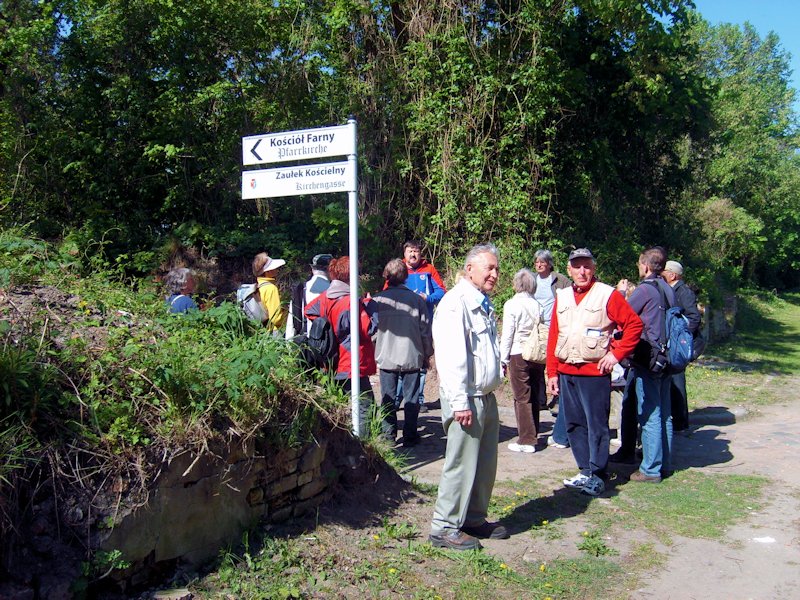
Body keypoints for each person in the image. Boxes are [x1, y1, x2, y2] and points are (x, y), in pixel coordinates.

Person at [428, 243, 508, 551]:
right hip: (467, 398)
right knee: (461, 464)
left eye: (497, 269)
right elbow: (450, 358)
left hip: (485, 396)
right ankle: (444, 527)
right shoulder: (455, 303)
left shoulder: (481, 302)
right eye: (488, 268)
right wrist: (460, 402)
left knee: (485, 465)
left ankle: (473, 518)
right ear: (469, 268)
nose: (494, 274)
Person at [545, 248, 643, 497]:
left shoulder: (607, 294)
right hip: (566, 371)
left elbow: (634, 325)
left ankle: (599, 474)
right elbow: (554, 335)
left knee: (597, 425)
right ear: (569, 270)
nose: (582, 271)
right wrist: (552, 372)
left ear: (593, 269)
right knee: (574, 425)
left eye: (586, 266)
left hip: (595, 372)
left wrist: (616, 354)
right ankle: (584, 470)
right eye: (576, 266)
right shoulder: (563, 296)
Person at [617, 247, 677, 483]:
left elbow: (623, 315)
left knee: (650, 412)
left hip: (648, 358)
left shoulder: (645, 289)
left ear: (645, 266)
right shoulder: (667, 288)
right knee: (664, 414)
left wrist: (622, 293)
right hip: (666, 358)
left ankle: (651, 469)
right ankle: (665, 463)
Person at [304, 256, 377, 438]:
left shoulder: (327, 296)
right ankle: (363, 451)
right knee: (365, 411)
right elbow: (368, 329)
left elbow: (309, 310)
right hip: (351, 364)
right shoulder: (350, 302)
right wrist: (370, 305)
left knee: (341, 408)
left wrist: (327, 328)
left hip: (331, 362)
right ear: (351, 276)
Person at [373, 259, 433, 447]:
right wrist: (427, 353)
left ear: (386, 277)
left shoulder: (377, 300)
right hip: (412, 354)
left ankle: (389, 434)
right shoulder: (416, 301)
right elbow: (425, 330)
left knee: (388, 397)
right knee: (412, 397)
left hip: (387, 355)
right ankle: (410, 435)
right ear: (405, 277)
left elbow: (372, 331)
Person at [388, 240, 447, 413]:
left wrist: (427, 299)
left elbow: (442, 291)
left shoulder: (429, 269)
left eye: (416, 251)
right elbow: (387, 291)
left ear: (420, 254)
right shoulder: (397, 270)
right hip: (401, 325)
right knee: (399, 362)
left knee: (421, 363)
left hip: (423, 323)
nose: (413, 255)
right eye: (410, 251)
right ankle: (397, 399)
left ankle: (418, 400)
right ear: (404, 254)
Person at [531, 249, 572, 450]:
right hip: (536, 326)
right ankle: (541, 398)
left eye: (542, 262)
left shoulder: (561, 281)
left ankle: (555, 397)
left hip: (554, 326)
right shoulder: (532, 280)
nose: (538, 265)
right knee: (536, 361)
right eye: (536, 262)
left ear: (549, 264)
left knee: (551, 363)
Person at [500, 268, 544, 453]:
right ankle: (533, 432)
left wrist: (503, 358)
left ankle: (526, 439)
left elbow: (508, 334)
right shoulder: (538, 305)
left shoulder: (511, 305)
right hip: (536, 353)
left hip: (518, 353)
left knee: (521, 397)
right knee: (533, 395)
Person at [661, 260, 702, 432]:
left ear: (672, 274)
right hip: (672, 343)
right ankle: (676, 418)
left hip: (679, 345)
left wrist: (680, 338)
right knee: (672, 381)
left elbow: (694, 318)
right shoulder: (670, 290)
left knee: (677, 381)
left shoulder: (684, 292)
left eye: (664, 272)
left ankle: (680, 422)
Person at [285, 254, 332, 339]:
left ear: (312, 269)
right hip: (326, 343)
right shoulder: (331, 290)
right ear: (330, 269)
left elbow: (292, 320)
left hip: (304, 341)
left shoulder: (302, 288)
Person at [251, 252, 287, 333]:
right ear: (267, 272)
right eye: (274, 268)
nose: (277, 270)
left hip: (262, 331)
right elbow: (276, 318)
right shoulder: (271, 288)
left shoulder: (258, 286)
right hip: (274, 331)